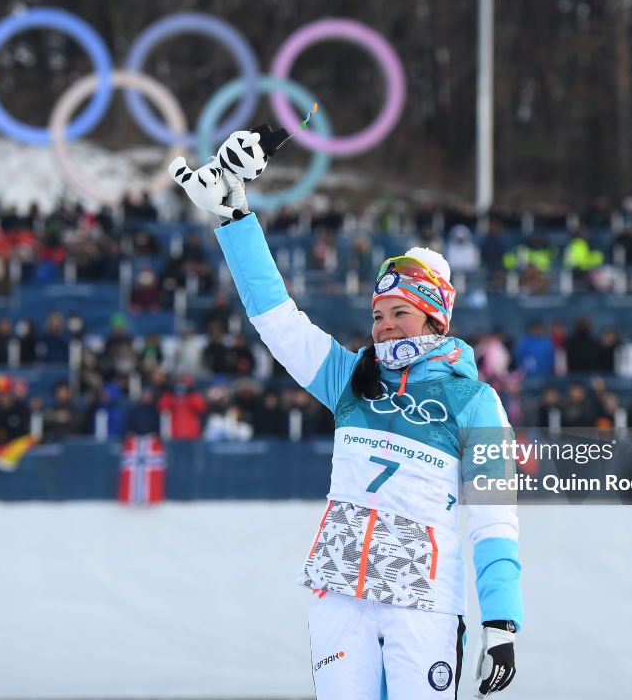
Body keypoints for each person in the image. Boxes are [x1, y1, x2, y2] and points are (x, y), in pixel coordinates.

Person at [174, 167, 522, 699]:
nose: (383, 325)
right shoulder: (351, 377)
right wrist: (237, 221)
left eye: (399, 312)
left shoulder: (477, 401)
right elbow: (278, 319)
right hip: (340, 588)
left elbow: (495, 517)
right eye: (378, 314)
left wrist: (500, 621)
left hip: (422, 598)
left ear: (435, 319)